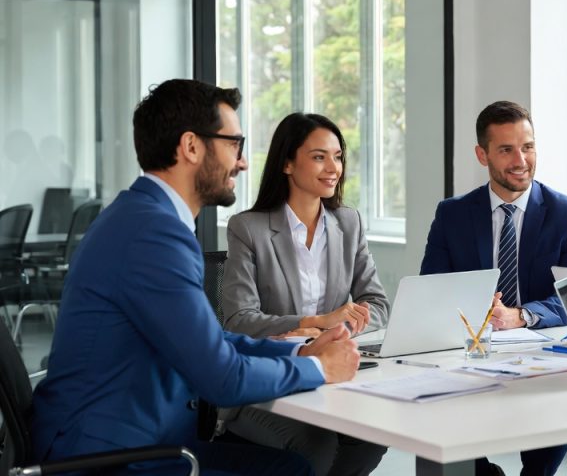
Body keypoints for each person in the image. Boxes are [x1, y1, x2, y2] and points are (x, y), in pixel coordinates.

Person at [31, 79, 362, 476]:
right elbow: (222, 377)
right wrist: (321, 369)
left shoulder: (142, 217)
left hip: (133, 440)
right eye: (234, 144)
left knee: (290, 466)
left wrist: (299, 353)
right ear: (191, 147)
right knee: (291, 469)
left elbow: (209, 341)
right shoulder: (153, 233)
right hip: (105, 458)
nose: (243, 162)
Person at [420, 100, 567, 476]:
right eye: (506, 150)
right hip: (470, 353)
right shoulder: (452, 214)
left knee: (557, 398)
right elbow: (431, 289)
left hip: (543, 355)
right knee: (435, 420)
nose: (521, 160)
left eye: (528, 147)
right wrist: (473, 309)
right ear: (482, 155)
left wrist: (521, 315)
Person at [220, 112, 390, 476]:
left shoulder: (348, 223)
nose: (333, 168)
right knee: (317, 443)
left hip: (334, 376)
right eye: (318, 157)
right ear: (287, 164)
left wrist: (340, 329)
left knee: (373, 434)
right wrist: (316, 322)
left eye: (337, 157)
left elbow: (377, 303)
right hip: (268, 380)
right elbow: (238, 320)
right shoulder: (248, 228)